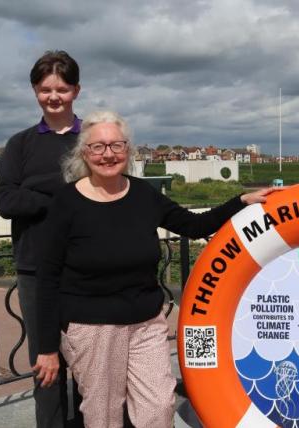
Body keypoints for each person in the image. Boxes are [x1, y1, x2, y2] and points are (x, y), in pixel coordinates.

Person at [33, 110, 278, 427]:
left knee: (158, 408)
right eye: (98, 147)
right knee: (103, 415)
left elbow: (193, 224)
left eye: (116, 145)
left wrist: (241, 200)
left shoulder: (144, 194)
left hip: (145, 323)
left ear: (128, 150)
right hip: (92, 328)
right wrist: (47, 349)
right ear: (84, 152)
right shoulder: (66, 203)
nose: (108, 154)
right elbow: (48, 277)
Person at [0, 50, 83, 428]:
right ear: (35, 90)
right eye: (46, 89)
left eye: (62, 89)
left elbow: (110, 192)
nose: (54, 96)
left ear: (76, 90)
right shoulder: (20, 144)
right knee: (46, 364)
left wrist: (37, 191)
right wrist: (62, 192)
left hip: (85, 266)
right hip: (34, 267)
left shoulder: (93, 140)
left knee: (89, 362)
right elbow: (6, 201)